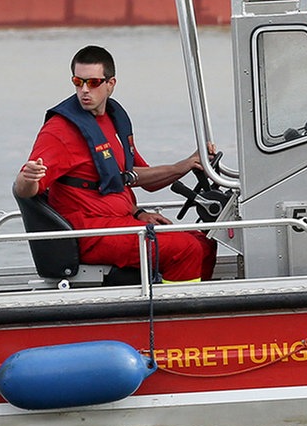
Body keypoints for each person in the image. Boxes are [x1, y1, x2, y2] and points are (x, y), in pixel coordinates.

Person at [12, 45, 217, 282]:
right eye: (78, 82)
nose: (84, 90)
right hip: (89, 233)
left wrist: (186, 165)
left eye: (93, 82)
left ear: (111, 84)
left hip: (122, 221)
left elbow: (137, 177)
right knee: (184, 249)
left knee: (204, 243)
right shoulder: (59, 131)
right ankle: (178, 314)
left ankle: (201, 308)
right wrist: (26, 178)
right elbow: (26, 189)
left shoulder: (113, 121)